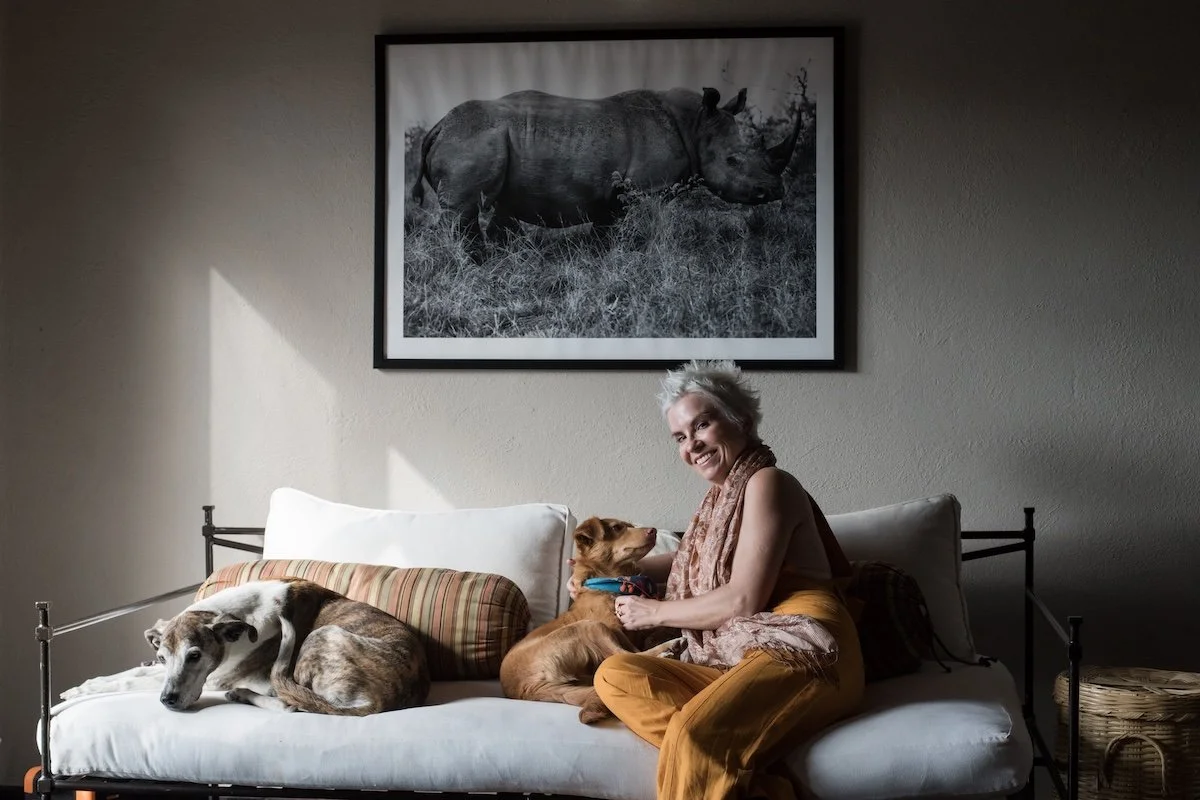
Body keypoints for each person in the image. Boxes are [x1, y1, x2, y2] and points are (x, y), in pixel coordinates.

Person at [590, 360, 865, 800]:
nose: (692, 445)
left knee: (694, 733)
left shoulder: (768, 483)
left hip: (804, 643)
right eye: (680, 437)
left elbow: (742, 599)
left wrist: (655, 612)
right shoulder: (717, 502)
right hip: (746, 646)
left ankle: (717, 749)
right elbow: (685, 562)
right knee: (614, 675)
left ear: (742, 420)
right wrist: (602, 577)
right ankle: (760, 782)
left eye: (702, 425)